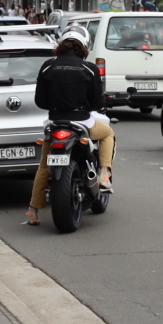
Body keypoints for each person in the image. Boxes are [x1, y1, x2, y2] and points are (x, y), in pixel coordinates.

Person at [26, 28, 111, 225]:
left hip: (55, 124)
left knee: (44, 166)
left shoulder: (47, 66)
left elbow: (40, 101)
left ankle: (33, 210)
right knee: (108, 134)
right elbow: (98, 103)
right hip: (82, 123)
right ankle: (104, 173)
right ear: (84, 45)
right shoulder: (90, 68)